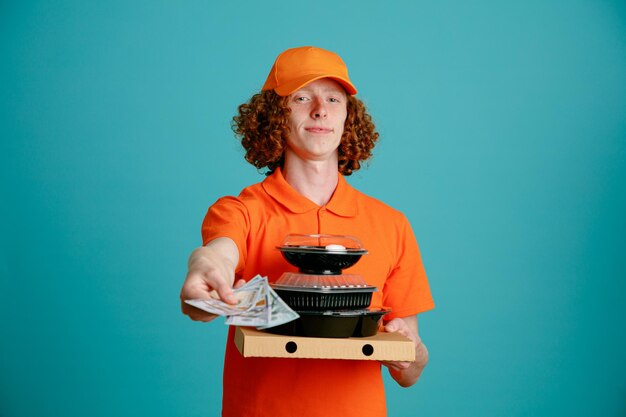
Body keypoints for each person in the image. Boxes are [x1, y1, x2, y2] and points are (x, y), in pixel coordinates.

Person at [180, 46, 435, 417]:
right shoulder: (241, 211)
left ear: (349, 115)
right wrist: (205, 275)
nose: (320, 109)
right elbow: (217, 254)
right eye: (301, 97)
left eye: (333, 98)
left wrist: (413, 351)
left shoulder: (392, 224)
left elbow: (409, 371)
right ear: (273, 115)